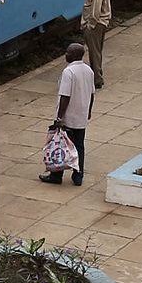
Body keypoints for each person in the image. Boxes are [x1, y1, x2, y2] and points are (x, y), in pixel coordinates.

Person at [41, 43, 94, 186]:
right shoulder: (88, 70)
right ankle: (78, 175)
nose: (66, 54)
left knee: (61, 145)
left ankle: (56, 175)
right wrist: (89, 110)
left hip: (68, 117)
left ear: (74, 55)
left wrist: (59, 118)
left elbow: (65, 96)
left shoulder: (68, 72)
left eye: (68, 52)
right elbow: (92, 93)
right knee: (79, 146)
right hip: (81, 115)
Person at [78, 0, 112, 85]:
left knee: (94, 52)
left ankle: (97, 79)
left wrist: (89, 25)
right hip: (103, 22)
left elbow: (95, 10)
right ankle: (98, 74)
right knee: (97, 50)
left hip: (96, 24)